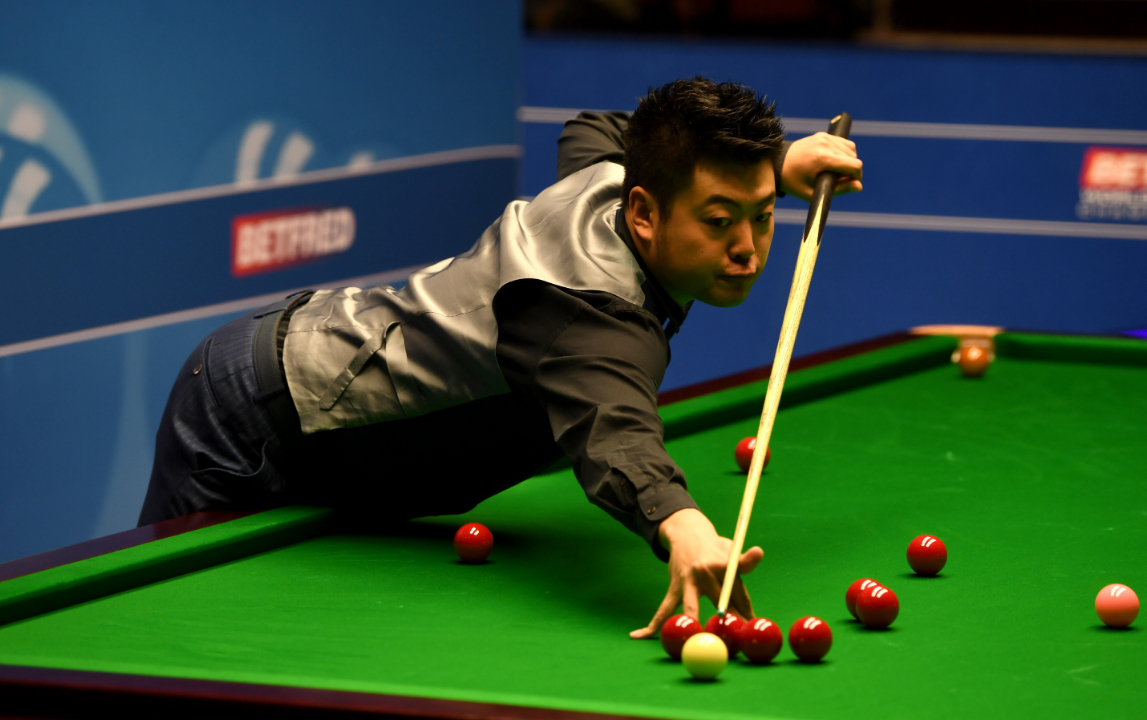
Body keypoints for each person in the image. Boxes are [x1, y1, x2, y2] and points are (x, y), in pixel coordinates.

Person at [139, 77, 863, 639]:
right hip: (251, 418)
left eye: (763, 215)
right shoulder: (591, 319)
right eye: (719, 219)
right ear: (643, 211)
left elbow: (598, 129)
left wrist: (773, 164)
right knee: (162, 640)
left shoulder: (613, 174)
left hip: (319, 391)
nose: (747, 247)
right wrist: (685, 525)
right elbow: (615, 433)